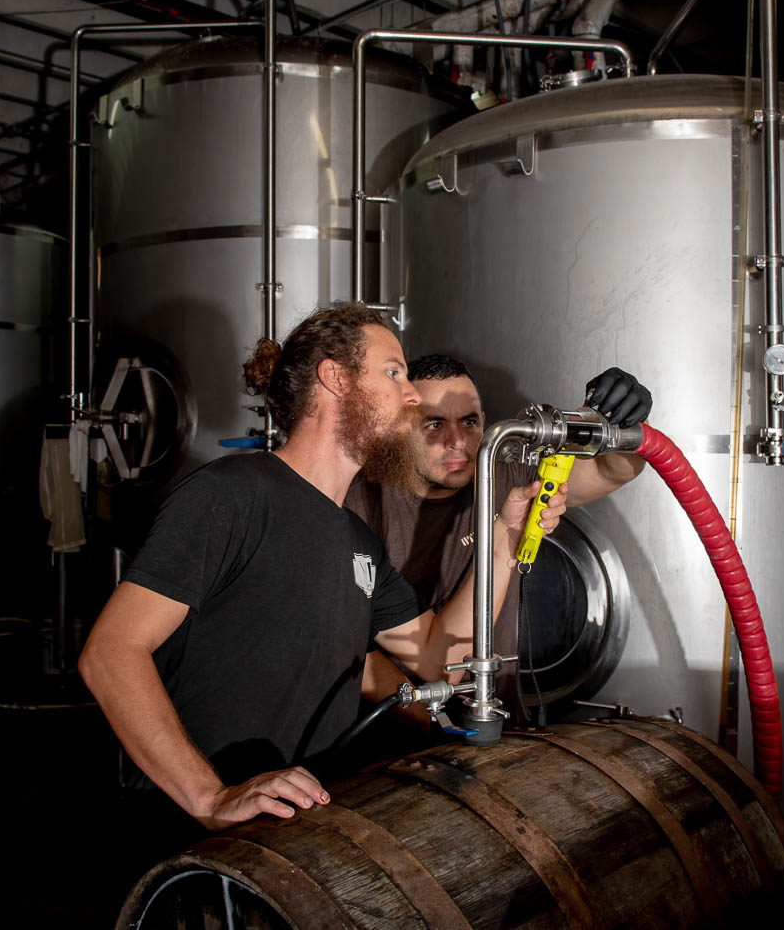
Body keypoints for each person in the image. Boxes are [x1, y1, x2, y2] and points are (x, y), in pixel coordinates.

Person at [77, 306, 565, 847]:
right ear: (335, 378)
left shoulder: (357, 541)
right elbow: (112, 652)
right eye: (394, 372)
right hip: (191, 843)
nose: (411, 395)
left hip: (293, 840)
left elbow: (439, 661)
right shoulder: (232, 494)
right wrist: (210, 798)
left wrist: (503, 539)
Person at [344, 355, 651, 724]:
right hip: (399, 738)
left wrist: (621, 420)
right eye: (434, 424)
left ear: (485, 422)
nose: (457, 441)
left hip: (502, 733)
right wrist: (429, 727)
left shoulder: (506, 475)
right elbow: (350, 655)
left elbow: (612, 470)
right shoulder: (361, 503)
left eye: (469, 422)